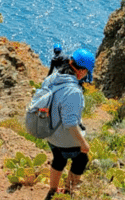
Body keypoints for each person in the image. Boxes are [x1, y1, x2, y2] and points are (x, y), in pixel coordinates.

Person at [43, 49, 95, 200]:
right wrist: (83, 143)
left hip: (50, 132)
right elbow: (71, 124)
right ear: (82, 71)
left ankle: (52, 191)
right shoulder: (73, 91)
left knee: (59, 158)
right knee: (81, 159)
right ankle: (69, 193)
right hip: (63, 136)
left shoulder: (53, 77)